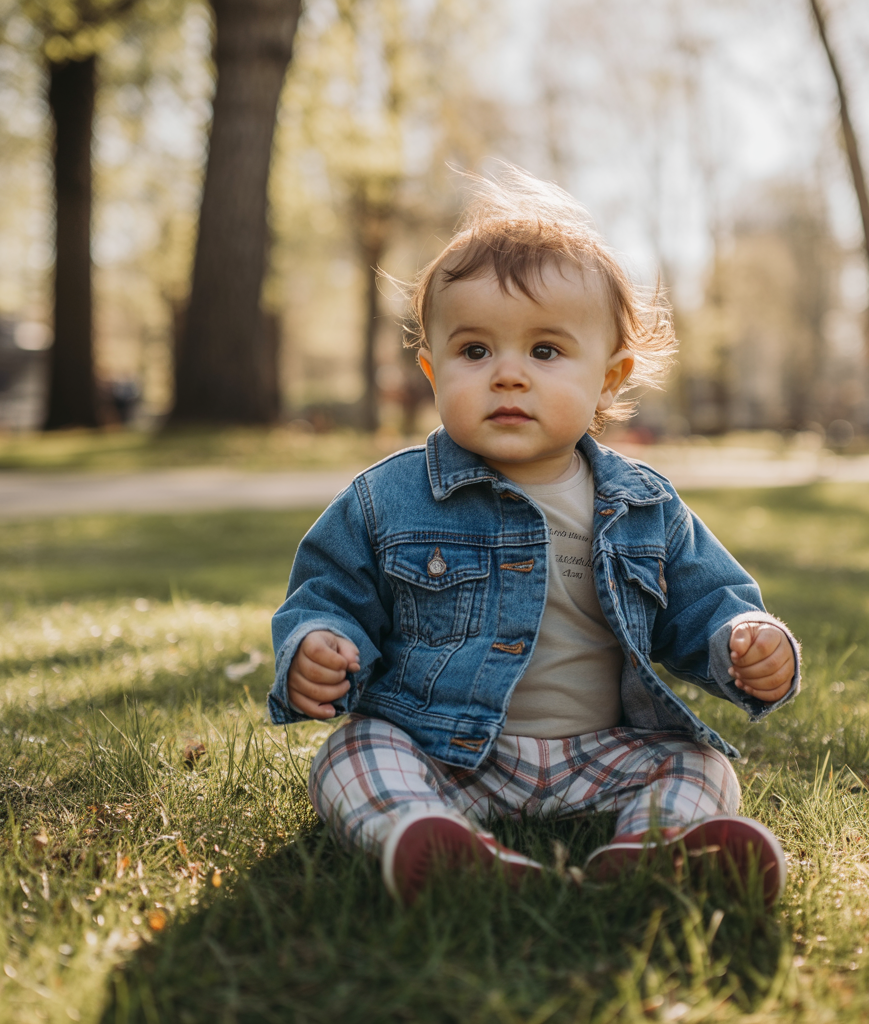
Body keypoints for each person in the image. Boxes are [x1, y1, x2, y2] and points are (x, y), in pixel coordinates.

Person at [268, 167, 800, 907]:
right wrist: (317, 646)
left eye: (545, 352)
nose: (508, 375)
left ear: (608, 380)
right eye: (475, 351)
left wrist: (748, 638)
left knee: (700, 764)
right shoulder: (388, 498)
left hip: (600, 752)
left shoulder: (644, 505)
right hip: (447, 755)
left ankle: (657, 848)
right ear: (432, 369)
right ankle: (430, 838)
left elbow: (707, 605)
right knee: (353, 753)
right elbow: (328, 594)